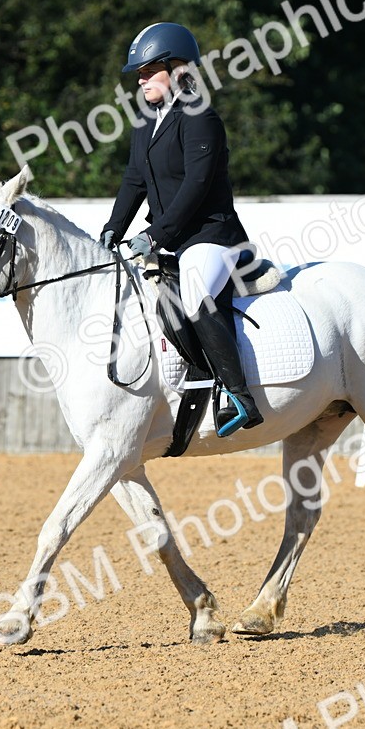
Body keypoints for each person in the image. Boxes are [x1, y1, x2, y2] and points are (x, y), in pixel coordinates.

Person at [99, 22, 264, 437]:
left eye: (148, 69)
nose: (139, 78)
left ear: (176, 68)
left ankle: (239, 396)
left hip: (211, 235)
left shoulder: (200, 117)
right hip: (174, 237)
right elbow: (134, 180)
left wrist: (155, 236)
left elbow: (196, 186)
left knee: (195, 291)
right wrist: (112, 230)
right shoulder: (146, 121)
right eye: (138, 72)